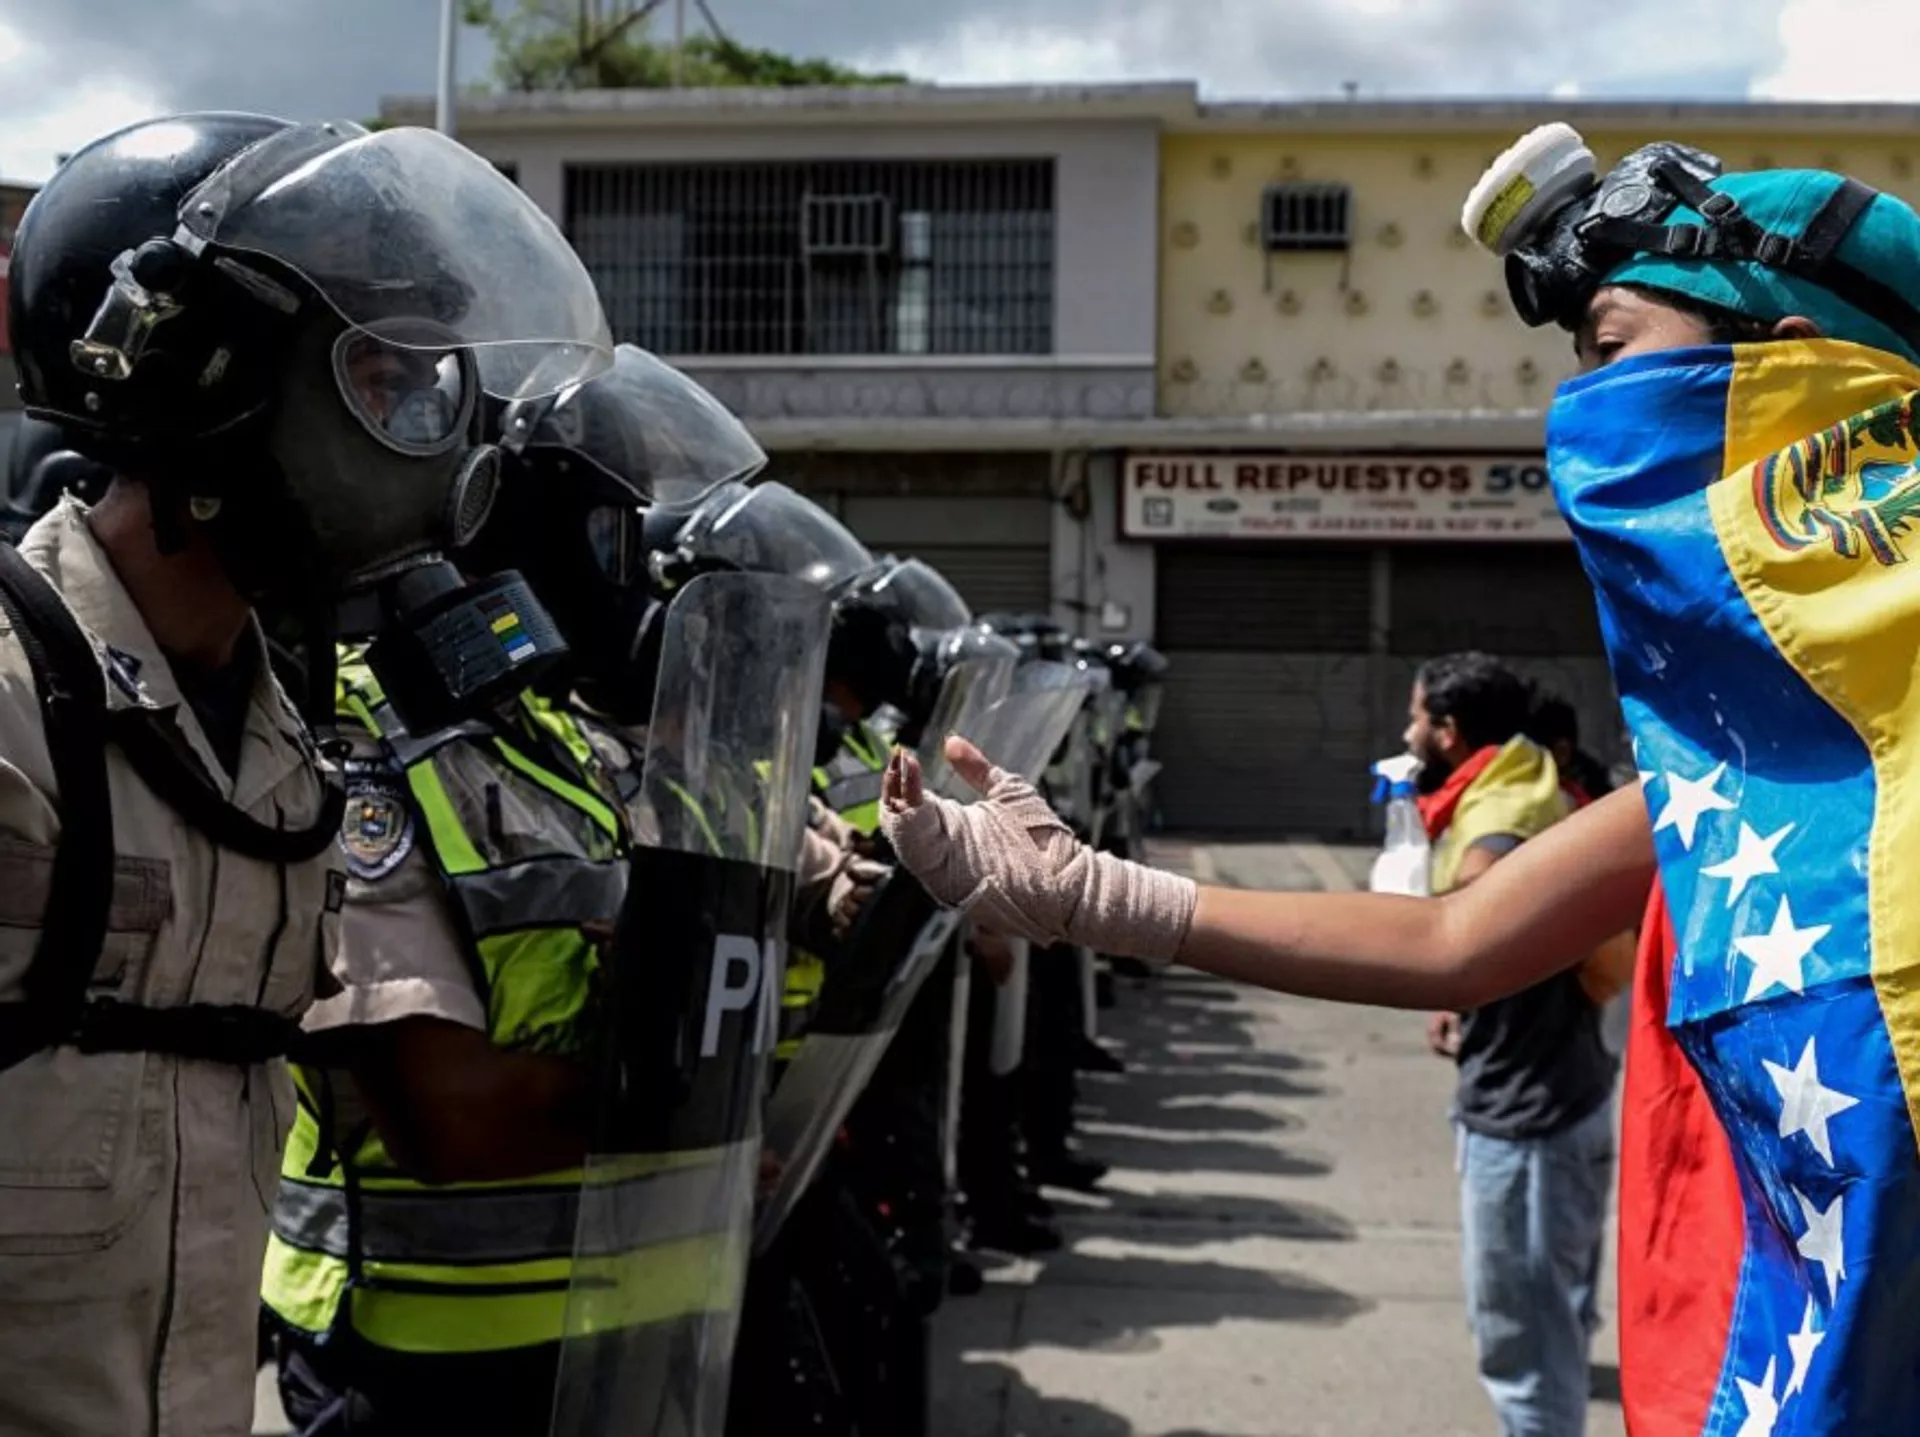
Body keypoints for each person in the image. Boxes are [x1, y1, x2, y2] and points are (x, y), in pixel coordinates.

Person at [876, 127, 1920, 1435]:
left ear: (1794, 370)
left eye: (1609, 347)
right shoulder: (1735, 772)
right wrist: (1080, 891)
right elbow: (1453, 943)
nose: (1579, 412)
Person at [0, 111, 609, 1437]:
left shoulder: (283, 754)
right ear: (189, 373)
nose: (423, 426)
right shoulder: (14, 710)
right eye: (376, 373)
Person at [261, 346, 843, 1436]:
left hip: (636, 1331)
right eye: (614, 539)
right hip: (433, 1355)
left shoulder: (562, 741)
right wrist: (688, 1100)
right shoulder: (360, 734)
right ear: (510, 529)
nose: (637, 582)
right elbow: (451, 1121)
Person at [1407, 652, 1614, 1437]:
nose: (1407, 731)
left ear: (1449, 732)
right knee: (1556, 1324)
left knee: (1524, 1350)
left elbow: (1480, 889)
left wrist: (1444, 946)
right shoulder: (1525, 780)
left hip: (1528, 1120)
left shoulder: (1499, 808)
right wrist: (1462, 992)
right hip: (1559, 1096)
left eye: (1416, 716)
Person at [1525, 692, 1614, 810]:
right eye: (1555, 737)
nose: (1563, 744)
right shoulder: (1527, 776)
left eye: (1567, 736)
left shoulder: (1588, 773)